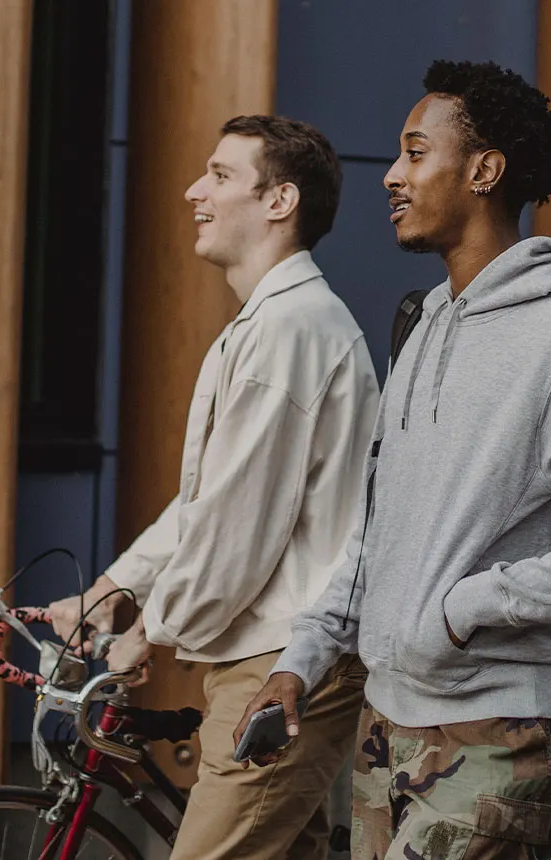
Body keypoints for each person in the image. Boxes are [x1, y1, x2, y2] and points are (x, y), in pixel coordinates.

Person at [239, 60, 551, 859]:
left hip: (496, 723)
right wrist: (301, 662)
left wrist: (470, 605)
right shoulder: (421, 327)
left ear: (484, 171)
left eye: (416, 153)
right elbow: (380, 532)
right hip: (388, 719)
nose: (393, 175)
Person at [46, 115, 380, 860]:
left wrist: (149, 631)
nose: (194, 191)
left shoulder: (291, 328)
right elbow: (214, 497)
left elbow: (237, 524)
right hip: (266, 651)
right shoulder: (271, 323)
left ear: (280, 201)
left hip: (285, 659)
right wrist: (113, 588)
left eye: (221, 175)